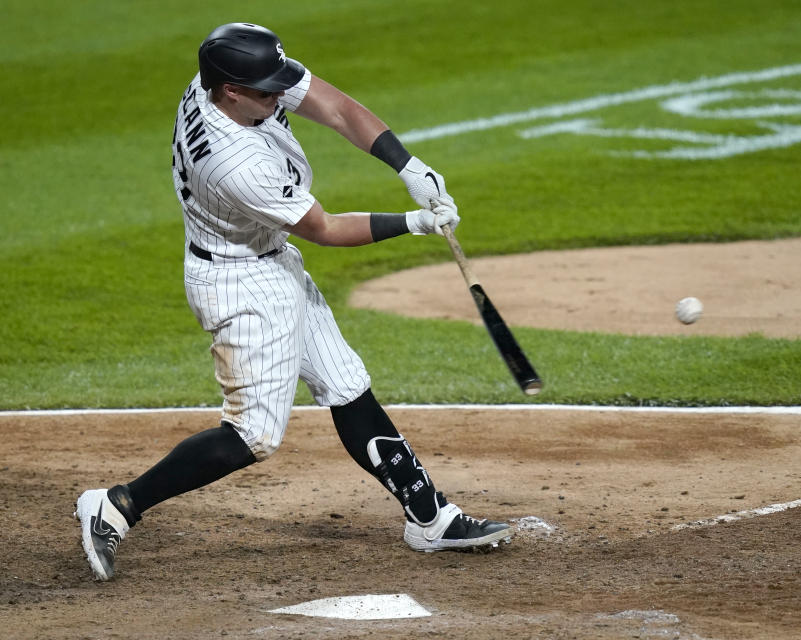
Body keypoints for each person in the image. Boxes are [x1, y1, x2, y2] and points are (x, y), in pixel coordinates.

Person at [74, 22, 514, 581]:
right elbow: (324, 227)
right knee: (254, 435)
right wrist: (416, 222)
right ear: (231, 91)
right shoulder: (235, 163)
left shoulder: (233, 76)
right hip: (240, 284)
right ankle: (115, 505)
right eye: (266, 91)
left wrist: (409, 167)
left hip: (268, 261)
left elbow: (334, 107)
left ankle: (430, 517)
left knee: (345, 382)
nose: (279, 94)